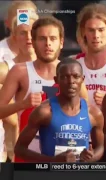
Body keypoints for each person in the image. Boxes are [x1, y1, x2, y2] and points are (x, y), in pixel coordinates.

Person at [0, 16, 88, 162]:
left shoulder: (73, 73)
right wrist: (22, 104)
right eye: (42, 39)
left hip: (65, 158)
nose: (48, 44)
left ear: (61, 42)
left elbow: (86, 118)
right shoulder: (20, 71)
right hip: (29, 158)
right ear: (33, 42)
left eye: (53, 39)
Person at [14, 59, 104, 162]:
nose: (71, 82)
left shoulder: (94, 113)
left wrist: (90, 159)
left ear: (82, 79)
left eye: (76, 76)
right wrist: (52, 161)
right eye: (65, 77)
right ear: (56, 80)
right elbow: (19, 149)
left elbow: (100, 148)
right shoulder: (44, 112)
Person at [0, 11, 39, 163]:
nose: (29, 37)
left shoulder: (58, 69)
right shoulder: (4, 70)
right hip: (10, 154)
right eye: (23, 33)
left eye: (32, 32)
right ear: (14, 37)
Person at [76, 3, 106, 107]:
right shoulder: (74, 64)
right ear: (83, 31)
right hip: (81, 123)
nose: (96, 36)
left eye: (101, 30)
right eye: (91, 30)